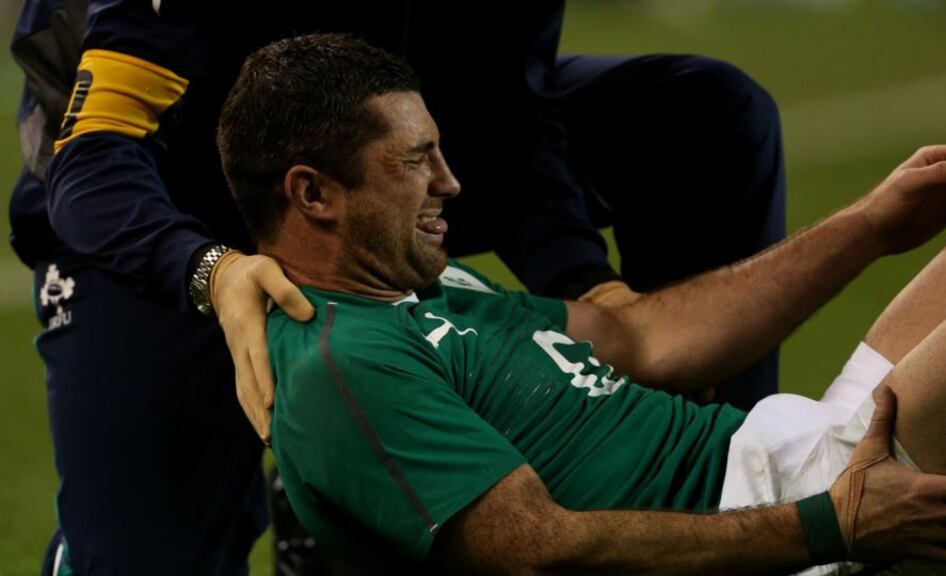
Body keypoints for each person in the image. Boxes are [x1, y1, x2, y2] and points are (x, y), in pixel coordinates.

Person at [11, 1, 785, 573]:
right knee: (144, 558)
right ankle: (333, 498)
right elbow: (93, 161)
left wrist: (593, 287)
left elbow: (511, 118)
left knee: (708, 116)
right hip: (156, 216)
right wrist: (211, 270)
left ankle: (743, 487)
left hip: (383, 169)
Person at [216, 33, 946, 574]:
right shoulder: (341, 366)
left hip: (801, 456)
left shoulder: (427, 287)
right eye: (414, 161)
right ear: (313, 195)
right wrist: (833, 525)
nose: (449, 183)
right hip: (802, 527)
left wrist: (871, 226)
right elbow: (541, 550)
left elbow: (641, 338)